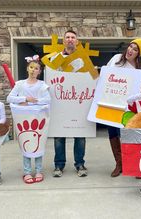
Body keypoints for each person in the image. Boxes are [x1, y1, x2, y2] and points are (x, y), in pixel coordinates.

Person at [106, 38, 141, 177]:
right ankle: (119, 164)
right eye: (130, 46)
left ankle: (134, 164)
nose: (131, 50)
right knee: (113, 134)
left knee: (130, 136)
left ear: (139, 54)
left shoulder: (140, 70)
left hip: (128, 107)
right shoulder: (116, 58)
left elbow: (140, 91)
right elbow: (105, 76)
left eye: (135, 49)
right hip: (111, 104)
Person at [7, 55, 50, 184]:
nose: (33, 70)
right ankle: (26, 171)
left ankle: (38, 170)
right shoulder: (20, 84)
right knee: (26, 141)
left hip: (38, 118)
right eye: (31, 67)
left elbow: (47, 100)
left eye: (36, 68)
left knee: (38, 142)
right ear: (27, 68)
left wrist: (32, 102)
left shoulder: (42, 85)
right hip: (23, 118)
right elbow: (10, 98)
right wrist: (24, 99)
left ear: (39, 71)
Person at [52, 30, 87, 177]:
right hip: (61, 102)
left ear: (77, 41)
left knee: (80, 134)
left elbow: (89, 80)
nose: (70, 39)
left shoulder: (84, 60)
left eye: (73, 37)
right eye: (67, 37)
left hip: (78, 102)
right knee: (59, 135)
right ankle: (59, 165)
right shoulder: (55, 59)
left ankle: (80, 164)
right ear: (63, 41)